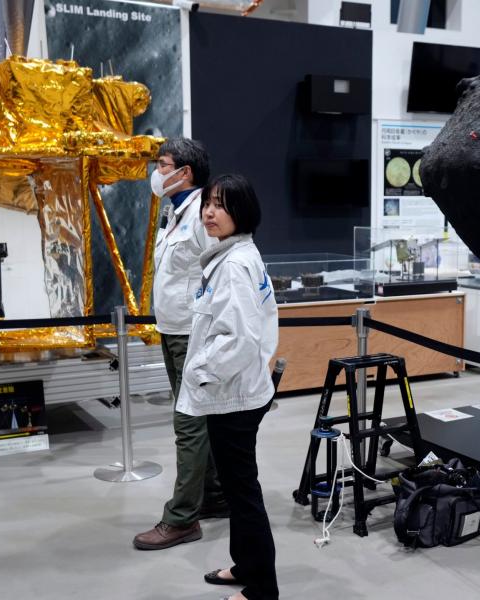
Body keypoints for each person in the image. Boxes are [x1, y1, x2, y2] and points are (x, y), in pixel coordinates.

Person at [175, 174, 279, 600]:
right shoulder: (235, 255)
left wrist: (200, 373)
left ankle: (261, 588)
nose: (209, 212)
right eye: (207, 204)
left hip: (232, 395)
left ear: (242, 211)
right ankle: (246, 565)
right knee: (239, 491)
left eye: (221, 204)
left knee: (243, 492)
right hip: (236, 391)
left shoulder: (234, 265)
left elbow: (238, 339)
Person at [133, 139, 229, 551]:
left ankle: (182, 518)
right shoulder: (177, 213)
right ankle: (214, 495)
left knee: (188, 425)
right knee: (197, 419)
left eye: (163, 164)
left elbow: (220, 272)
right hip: (173, 329)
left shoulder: (202, 216)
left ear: (184, 171)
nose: (157, 172)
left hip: (193, 332)